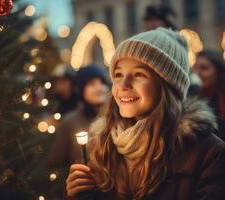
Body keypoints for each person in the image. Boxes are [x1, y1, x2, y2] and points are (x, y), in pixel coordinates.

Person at [65, 28, 225, 200]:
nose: (123, 85)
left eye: (139, 74)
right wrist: (78, 194)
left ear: (167, 86)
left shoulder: (208, 153)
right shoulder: (102, 144)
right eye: (118, 74)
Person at [46, 65, 109, 198]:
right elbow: (54, 162)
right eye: (92, 84)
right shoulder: (71, 121)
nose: (99, 88)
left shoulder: (118, 117)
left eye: (102, 82)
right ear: (81, 90)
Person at [193, 50, 225, 139]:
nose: (197, 73)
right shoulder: (193, 96)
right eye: (196, 67)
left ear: (218, 71)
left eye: (204, 68)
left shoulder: (221, 98)